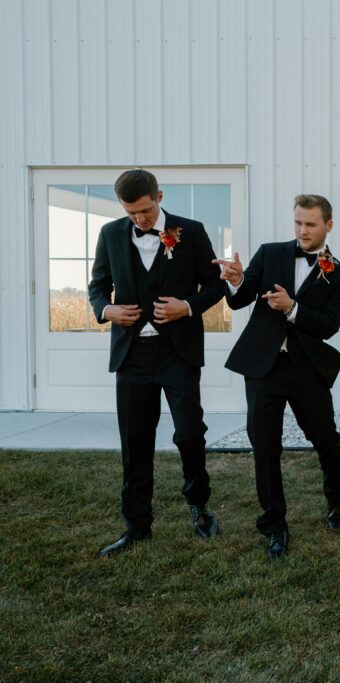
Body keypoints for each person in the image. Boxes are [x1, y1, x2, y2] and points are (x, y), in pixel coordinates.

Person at [88, 168, 226, 557]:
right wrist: (106, 310)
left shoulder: (192, 231)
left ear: (160, 197)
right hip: (132, 355)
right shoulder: (111, 234)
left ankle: (199, 505)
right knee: (135, 441)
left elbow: (215, 285)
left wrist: (188, 306)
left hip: (177, 353)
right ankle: (137, 525)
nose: (140, 220)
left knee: (189, 433)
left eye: (145, 211)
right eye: (132, 213)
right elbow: (97, 286)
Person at [218, 194, 340, 560]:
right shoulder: (271, 252)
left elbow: (329, 326)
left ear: (329, 225)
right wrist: (235, 279)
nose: (303, 230)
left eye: (310, 224)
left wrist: (293, 308)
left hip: (308, 368)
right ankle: (275, 526)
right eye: (298, 223)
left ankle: (336, 497)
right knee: (265, 447)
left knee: (325, 438)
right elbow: (240, 299)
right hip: (263, 366)